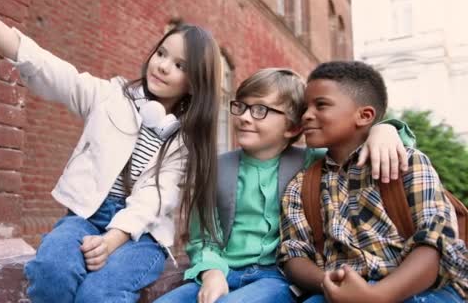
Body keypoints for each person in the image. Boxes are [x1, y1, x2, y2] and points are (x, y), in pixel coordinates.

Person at [0, 0, 223, 302]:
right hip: (85, 217)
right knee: (51, 269)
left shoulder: (184, 143)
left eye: (179, 65)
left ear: (195, 83)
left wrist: (113, 239)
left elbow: (153, 199)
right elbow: (48, 69)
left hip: (140, 236)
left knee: (98, 293)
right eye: (161, 53)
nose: (161, 65)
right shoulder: (108, 96)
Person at [155, 68, 415, 303]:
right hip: (220, 270)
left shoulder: (312, 162)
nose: (245, 117)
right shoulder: (214, 168)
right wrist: (211, 272)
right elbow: (203, 238)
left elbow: (354, 143)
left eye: (260, 110)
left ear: (293, 127)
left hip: (278, 278)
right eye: (241, 107)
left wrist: (385, 130)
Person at [278, 61, 468, 303]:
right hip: (336, 290)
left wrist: (376, 295)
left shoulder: (408, 163)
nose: (306, 115)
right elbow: (294, 254)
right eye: (305, 107)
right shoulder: (301, 185)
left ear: (364, 115)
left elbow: (435, 242)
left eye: (321, 105)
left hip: (420, 289)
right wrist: (332, 283)